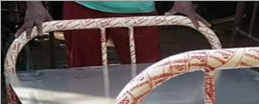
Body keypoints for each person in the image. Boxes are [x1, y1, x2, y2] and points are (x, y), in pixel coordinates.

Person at [16, 1, 209, 68]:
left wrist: (183, 1)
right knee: (84, 78)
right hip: (82, 5)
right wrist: (33, 4)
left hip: (138, 9)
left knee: (146, 79)